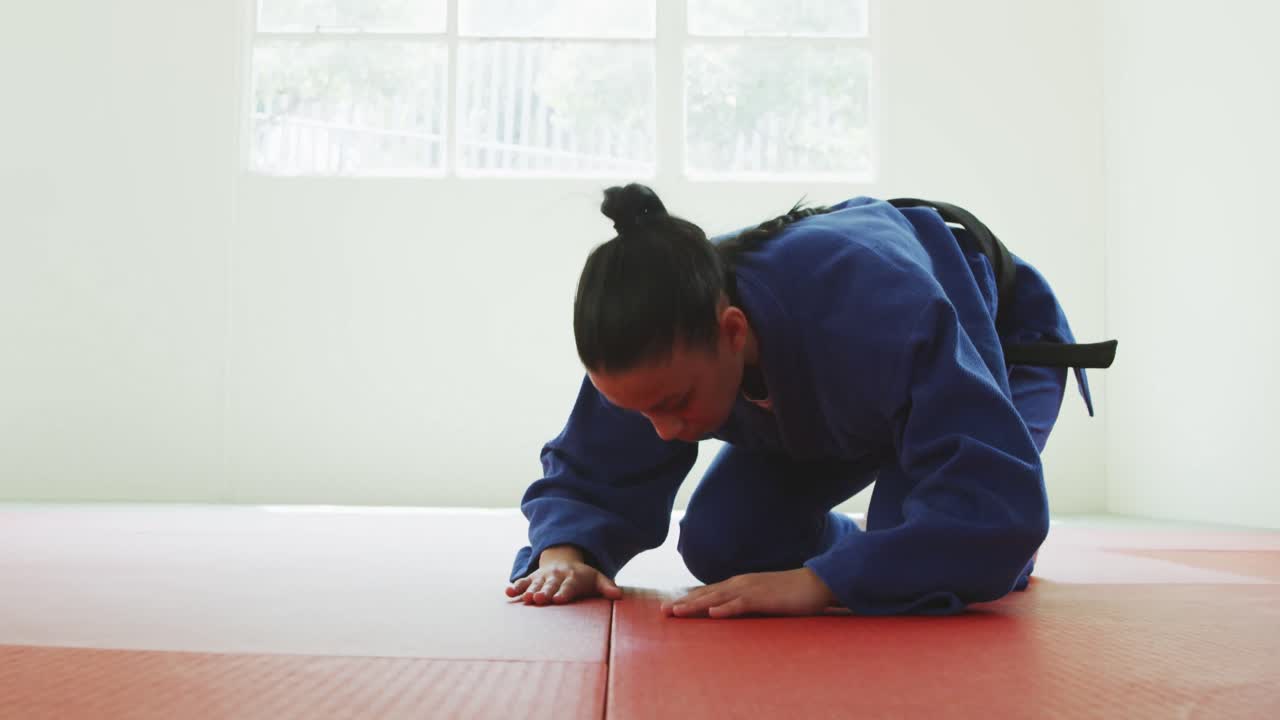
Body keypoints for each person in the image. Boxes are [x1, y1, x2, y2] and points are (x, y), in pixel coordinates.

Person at [503, 184, 1113, 617]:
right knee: (725, 543)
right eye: (642, 411)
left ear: (734, 332)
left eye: (675, 403)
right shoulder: (659, 325)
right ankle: (862, 549)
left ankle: (880, 549)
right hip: (836, 388)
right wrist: (566, 551)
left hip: (994, 341)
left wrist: (821, 585)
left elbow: (994, 510)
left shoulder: (874, 306)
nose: (662, 431)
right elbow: (595, 466)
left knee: (955, 562)